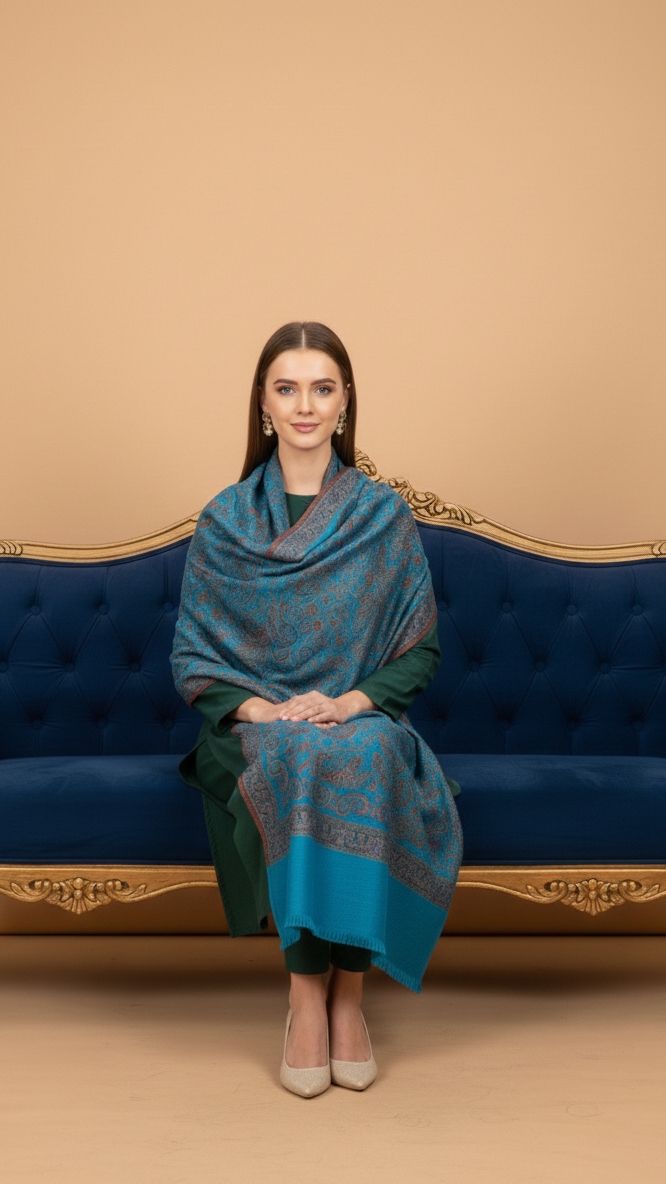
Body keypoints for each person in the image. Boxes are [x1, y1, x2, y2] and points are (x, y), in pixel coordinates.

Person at [171, 321, 462, 1098]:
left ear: (345, 401)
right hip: (255, 731)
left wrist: (350, 701)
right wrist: (263, 712)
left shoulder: (381, 517)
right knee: (302, 755)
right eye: (287, 387)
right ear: (264, 405)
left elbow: (420, 653)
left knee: (359, 752)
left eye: (322, 387)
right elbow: (193, 657)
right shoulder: (225, 520)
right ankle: (305, 995)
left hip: (357, 717)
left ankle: (351, 998)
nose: (306, 404)